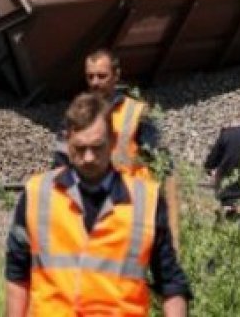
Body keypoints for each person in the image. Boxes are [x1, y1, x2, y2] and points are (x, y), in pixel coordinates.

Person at [6, 92, 191, 317]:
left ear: (112, 141)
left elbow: (171, 283)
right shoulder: (37, 193)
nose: (89, 158)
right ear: (67, 141)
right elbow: (17, 273)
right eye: (80, 148)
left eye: (97, 147)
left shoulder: (146, 200)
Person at [53, 49, 182, 250]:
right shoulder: (76, 115)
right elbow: (59, 168)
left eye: (101, 76)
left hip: (132, 211)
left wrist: (170, 230)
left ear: (116, 75)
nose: (95, 82)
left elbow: (163, 168)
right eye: (90, 76)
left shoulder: (136, 113)